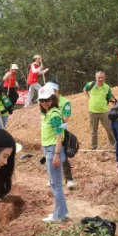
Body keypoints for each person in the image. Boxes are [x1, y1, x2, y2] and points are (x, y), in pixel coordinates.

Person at [37, 87, 69, 223]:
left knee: (56, 184)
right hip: (48, 149)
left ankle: (59, 215)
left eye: (48, 100)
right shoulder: (47, 113)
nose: (45, 102)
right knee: (54, 183)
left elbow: (59, 136)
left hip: (53, 150)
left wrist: (56, 154)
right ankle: (60, 212)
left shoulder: (54, 115)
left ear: (53, 99)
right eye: (42, 100)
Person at [44, 81, 75, 189]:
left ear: (56, 90)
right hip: (48, 135)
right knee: (49, 157)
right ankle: (51, 178)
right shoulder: (46, 102)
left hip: (60, 133)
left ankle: (69, 179)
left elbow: (65, 118)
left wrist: (56, 123)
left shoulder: (65, 102)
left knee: (63, 157)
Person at [83, 70, 117, 150]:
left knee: (109, 128)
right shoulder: (90, 85)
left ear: (104, 78)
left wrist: (116, 105)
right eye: (99, 77)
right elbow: (84, 89)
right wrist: (88, 98)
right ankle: (94, 146)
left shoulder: (106, 87)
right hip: (92, 112)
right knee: (93, 130)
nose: (100, 79)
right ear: (96, 78)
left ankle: (113, 143)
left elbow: (110, 97)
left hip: (104, 112)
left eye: (102, 77)